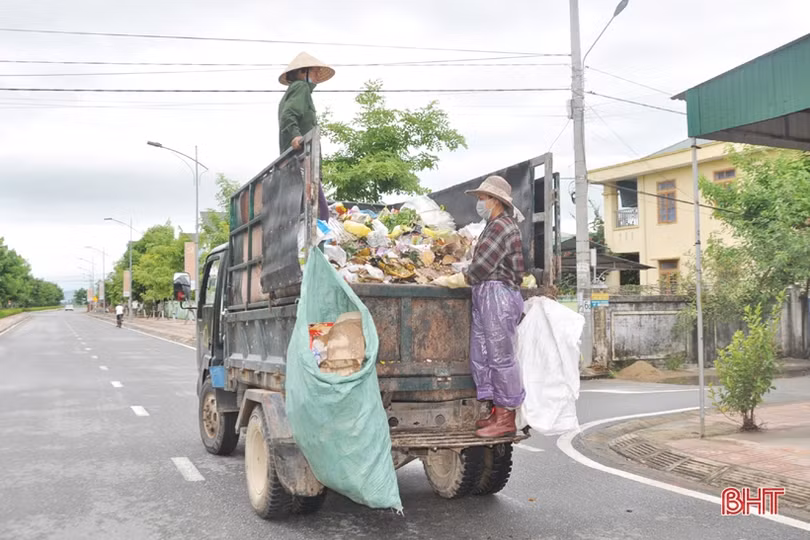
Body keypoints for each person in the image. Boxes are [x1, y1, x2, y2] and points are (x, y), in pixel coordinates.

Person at [463, 175, 526, 438]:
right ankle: (495, 411)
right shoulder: (494, 225)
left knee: (500, 356)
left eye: (482, 198)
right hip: (487, 292)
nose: (480, 203)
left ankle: (506, 418)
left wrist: (463, 276)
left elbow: (482, 265)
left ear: (495, 201)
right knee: (484, 353)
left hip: (497, 293)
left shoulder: (502, 227)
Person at [278, 52, 335, 222]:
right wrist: (295, 136)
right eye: (315, 71)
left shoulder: (297, 92)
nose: (318, 75)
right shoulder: (300, 88)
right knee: (322, 214)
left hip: (299, 164)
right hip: (302, 162)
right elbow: (288, 116)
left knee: (306, 214)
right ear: (304, 72)